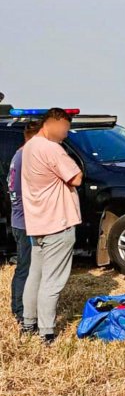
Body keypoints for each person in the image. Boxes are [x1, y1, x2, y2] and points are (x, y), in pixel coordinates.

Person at [21, 108, 83, 343]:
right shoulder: (51, 148)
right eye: (65, 128)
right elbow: (76, 178)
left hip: (37, 222)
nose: (66, 134)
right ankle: (46, 331)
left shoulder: (28, 148)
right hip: (58, 221)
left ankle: (28, 324)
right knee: (52, 280)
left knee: (35, 275)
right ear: (54, 122)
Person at [8, 120, 41, 328]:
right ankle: (20, 310)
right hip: (25, 221)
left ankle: (22, 308)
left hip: (21, 219)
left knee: (27, 267)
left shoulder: (19, 155)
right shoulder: (25, 157)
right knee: (26, 268)